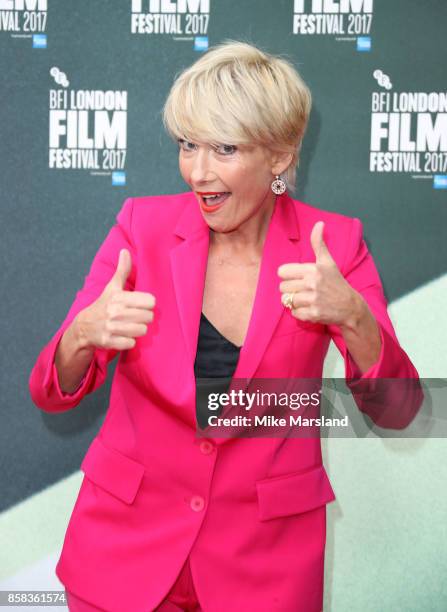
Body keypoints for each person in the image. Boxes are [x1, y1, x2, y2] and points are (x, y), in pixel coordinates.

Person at [29, 40, 422, 612]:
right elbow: (51, 391)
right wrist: (82, 334)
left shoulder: (334, 244)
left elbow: (401, 409)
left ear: (282, 155)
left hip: (263, 568)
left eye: (225, 148)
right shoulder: (142, 228)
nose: (199, 171)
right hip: (124, 555)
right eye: (188, 145)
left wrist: (353, 316)